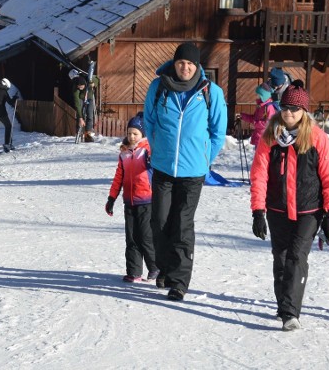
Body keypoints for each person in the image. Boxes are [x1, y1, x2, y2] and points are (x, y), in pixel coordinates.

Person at [249, 80, 329, 331]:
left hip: (308, 210)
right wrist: (258, 211)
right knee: (281, 258)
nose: (289, 113)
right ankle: (283, 305)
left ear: (304, 111)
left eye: (295, 109)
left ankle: (291, 312)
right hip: (277, 208)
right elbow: (259, 175)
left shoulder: (317, 138)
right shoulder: (271, 136)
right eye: (285, 107)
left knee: (297, 257)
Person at [142, 42, 227, 301]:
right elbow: (149, 121)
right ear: (174, 63)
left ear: (197, 66)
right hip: (163, 168)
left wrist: (204, 159)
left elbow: (218, 131)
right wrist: (158, 151)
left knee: (182, 224)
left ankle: (179, 281)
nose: (185, 67)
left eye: (190, 64)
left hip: (193, 172)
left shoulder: (210, 92)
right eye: (181, 62)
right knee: (159, 220)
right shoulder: (158, 88)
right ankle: (165, 269)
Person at [105, 115, 159, 283]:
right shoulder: (124, 154)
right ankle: (134, 271)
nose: (132, 136)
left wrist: (152, 160)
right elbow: (118, 177)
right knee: (131, 237)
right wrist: (111, 198)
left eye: (135, 133)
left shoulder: (147, 150)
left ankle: (155, 267)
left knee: (145, 236)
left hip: (146, 200)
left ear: (142, 134)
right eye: (129, 133)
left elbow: (156, 168)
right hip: (129, 201)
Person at [238, 82, 278, 146]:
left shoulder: (269, 107)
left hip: (265, 139)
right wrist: (242, 116)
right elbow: (254, 118)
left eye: (259, 95)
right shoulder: (260, 106)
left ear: (264, 96)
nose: (257, 96)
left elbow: (269, 123)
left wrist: (255, 123)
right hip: (258, 138)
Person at [72, 72, 97, 142]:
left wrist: (94, 84)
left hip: (89, 97)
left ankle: (87, 134)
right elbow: (77, 104)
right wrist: (80, 117)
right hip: (81, 98)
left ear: (84, 84)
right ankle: (78, 134)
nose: (80, 88)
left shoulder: (89, 81)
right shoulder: (75, 89)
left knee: (90, 115)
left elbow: (97, 78)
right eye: (78, 87)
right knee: (80, 115)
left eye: (81, 86)